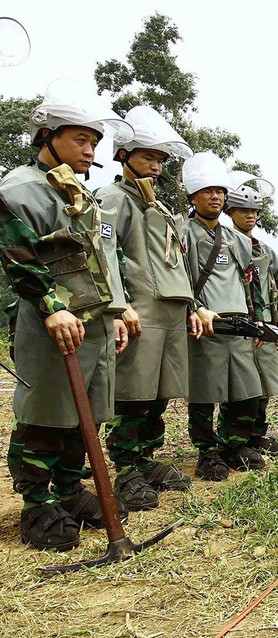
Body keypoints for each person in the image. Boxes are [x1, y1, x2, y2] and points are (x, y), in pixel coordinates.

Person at [0, 81, 134, 550]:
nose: (90, 148)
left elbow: (102, 259)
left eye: (94, 141)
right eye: (80, 138)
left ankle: (71, 490)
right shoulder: (21, 190)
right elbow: (19, 256)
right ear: (47, 136)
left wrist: (116, 311)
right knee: (46, 412)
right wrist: (51, 308)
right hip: (50, 323)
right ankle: (37, 503)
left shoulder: (82, 195)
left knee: (87, 413)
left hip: (94, 324)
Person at [97, 106, 197, 511]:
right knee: (132, 394)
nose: (155, 166)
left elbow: (177, 263)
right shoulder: (111, 199)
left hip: (171, 311)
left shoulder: (160, 208)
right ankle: (125, 470)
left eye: (160, 159)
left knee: (160, 393)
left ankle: (146, 459)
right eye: (147, 157)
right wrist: (118, 306)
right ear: (123, 156)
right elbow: (102, 254)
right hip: (140, 311)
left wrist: (192, 305)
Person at [181, 152, 265, 481]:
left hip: (240, 325)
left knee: (244, 390)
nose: (215, 197)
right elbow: (180, 276)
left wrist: (258, 321)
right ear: (193, 196)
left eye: (219, 191)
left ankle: (235, 444)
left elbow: (250, 279)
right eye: (207, 191)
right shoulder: (183, 231)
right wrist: (191, 311)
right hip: (206, 324)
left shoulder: (235, 238)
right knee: (205, 391)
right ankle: (207, 451)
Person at [224, 171, 278, 455]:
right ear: (231, 211)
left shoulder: (266, 251)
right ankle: (233, 440)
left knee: (264, 383)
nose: (250, 216)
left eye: (254, 211)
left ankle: (255, 435)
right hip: (239, 323)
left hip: (266, 324)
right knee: (239, 386)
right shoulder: (225, 242)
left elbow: (273, 287)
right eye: (243, 210)